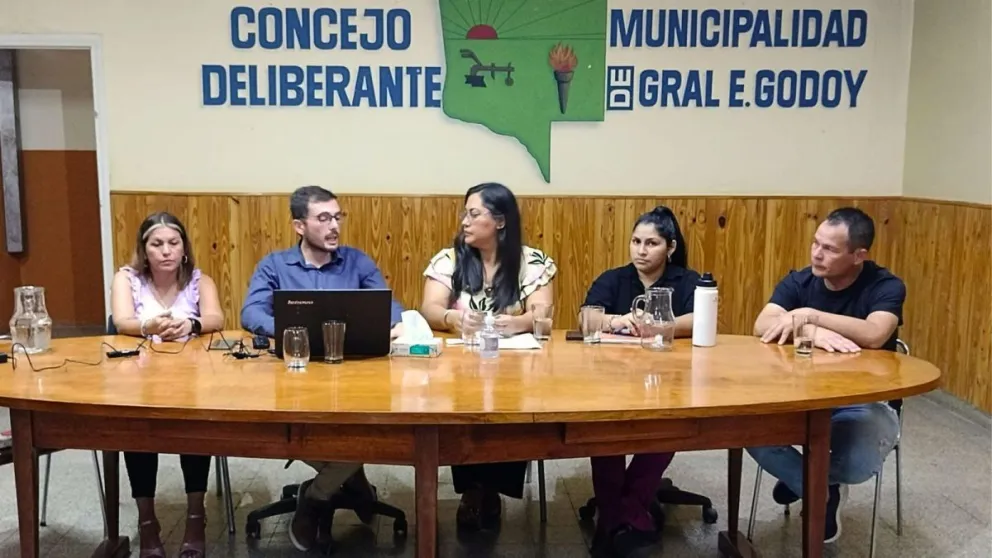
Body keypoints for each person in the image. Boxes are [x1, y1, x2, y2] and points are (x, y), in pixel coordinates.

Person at [240, 185, 404, 551]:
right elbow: (250, 313)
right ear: (299, 226)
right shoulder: (275, 265)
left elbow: (389, 306)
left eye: (337, 217)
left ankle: (314, 498)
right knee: (300, 432)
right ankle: (353, 480)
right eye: (324, 218)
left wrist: (393, 325)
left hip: (355, 376)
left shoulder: (357, 261)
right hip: (294, 378)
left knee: (372, 431)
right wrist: (289, 331)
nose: (334, 226)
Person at [749, 207, 904, 545]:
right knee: (744, 427)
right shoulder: (800, 280)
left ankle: (800, 479)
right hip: (798, 397)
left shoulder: (886, 285)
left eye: (830, 249)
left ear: (859, 255)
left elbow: (875, 333)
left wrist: (808, 316)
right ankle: (822, 490)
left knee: (859, 457)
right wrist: (811, 332)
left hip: (864, 402)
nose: (816, 254)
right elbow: (762, 325)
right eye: (815, 243)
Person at [420, 182, 557, 530]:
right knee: (460, 403)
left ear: (499, 221)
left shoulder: (532, 261)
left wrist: (520, 322)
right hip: (461, 368)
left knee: (514, 404)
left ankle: (492, 488)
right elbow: (430, 308)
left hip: (516, 367)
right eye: (464, 213)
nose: (464, 221)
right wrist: (453, 318)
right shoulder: (449, 258)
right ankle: (472, 489)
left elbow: (543, 313)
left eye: (473, 213)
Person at [582, 206, 700, 557]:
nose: (641, 250)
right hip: (613, 378)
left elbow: (698, 319)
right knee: (601, 430)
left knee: (668, 427)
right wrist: (618, 320)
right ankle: (631, 517)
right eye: (636, 241)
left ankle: (616, 517)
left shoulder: (687, 281)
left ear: (671, 247)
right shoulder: (614, 278)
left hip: (668, 379)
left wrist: (659, 325)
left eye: (651, 243)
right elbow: (587, 316)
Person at [109, 211, 225, 558]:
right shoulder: (126, 278)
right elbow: (121, 321)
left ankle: (195, 516)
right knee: (137, 429)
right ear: (144, 250)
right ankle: (147, 522)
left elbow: (216, 318)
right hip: (139, 380)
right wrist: (150, 327)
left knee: (195, 426)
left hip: (190, 378)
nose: (166, 251)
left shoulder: (199, 280)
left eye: (173, 243)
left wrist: (191, 323)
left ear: (184, 248)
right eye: (156, 244)